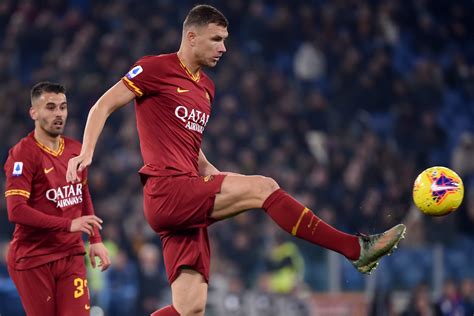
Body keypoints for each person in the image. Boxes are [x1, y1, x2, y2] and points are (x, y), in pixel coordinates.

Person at [66, 5, 406, 316]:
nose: (223, 48)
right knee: (264, 187)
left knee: (190, 308)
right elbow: (103, 104)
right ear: (191, 36)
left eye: (225, 40)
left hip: (185, 195)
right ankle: (355, 249)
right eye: (216, 39)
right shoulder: (156, 67)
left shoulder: (207, 88)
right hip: (167, 191)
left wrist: (209, 169)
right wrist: (87, 151)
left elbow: (188, 142)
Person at [4, 82, 111, 316]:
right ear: (34, 112)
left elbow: (82, 194)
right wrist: (68, 224)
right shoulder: (23, 154)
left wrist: (95, 239)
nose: (58, 114)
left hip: (70, 254)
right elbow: (16, 211)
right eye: (50, 107)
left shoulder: (76, 149)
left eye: (62, 107)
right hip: (33, 257)